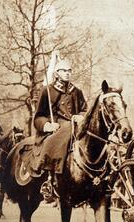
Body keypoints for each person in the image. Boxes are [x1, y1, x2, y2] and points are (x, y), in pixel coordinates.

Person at [33, 58, 87, 202]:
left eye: (70, 70)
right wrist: (47, 125)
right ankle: (49, 180)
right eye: (64, 70)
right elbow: (38, 117)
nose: (68, 73)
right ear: (57, 73)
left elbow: (84, 110)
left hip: (75, 127)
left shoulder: (77, 91)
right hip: (55, 128)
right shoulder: (47, 91)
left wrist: (80, 116)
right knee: (53, 143)